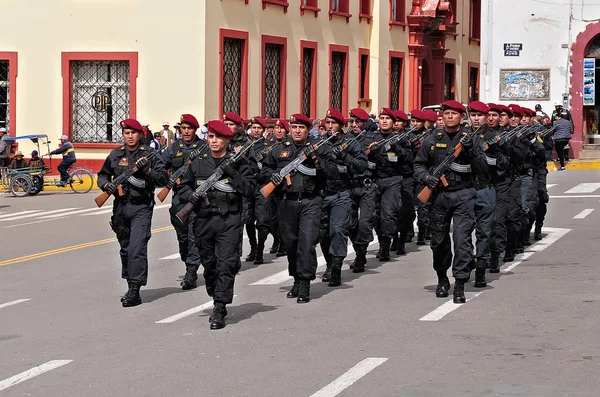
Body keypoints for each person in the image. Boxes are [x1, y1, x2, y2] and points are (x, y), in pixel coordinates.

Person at [178, 120, 257, 330]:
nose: (214, 141)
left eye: (218, 137)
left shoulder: (238, 163)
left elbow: (250, 190)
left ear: (227, 139)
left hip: (229, 218)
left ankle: (220, 307)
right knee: (210, 264)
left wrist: (233, 173)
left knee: (226, 263)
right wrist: (191, 195)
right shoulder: (198, 162)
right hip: (203, 219)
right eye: (211, 137)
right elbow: (183, 187)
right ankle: (215, 289)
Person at [413, 100, 488, 304]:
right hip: (438, 196)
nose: (450, 117)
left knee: (462, 240)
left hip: (464, 194)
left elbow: (482, 168)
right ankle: (442, 278)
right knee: (438, 241)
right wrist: (426, 178)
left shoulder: (471, 139)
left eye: (454, 113)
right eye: (446, 113)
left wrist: (471, 151)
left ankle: (460, 283)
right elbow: (418, 165)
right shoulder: (432, 139)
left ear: (461, 117)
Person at [261, 113, 339, 303]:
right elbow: (263, 169)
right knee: (291, 243)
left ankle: (304, 283)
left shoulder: (319, 148)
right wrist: (272, 176)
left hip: (310, 201)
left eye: (301, 127)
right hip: (286, 202)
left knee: (306, 242)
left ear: (307, 130)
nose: (297, 131)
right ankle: (296, 277)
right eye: (294, 127)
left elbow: (334, 172)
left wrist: (317, 160)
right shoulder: (279, 149)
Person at [97, 119, 169, 307]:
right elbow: (103, 174)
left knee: (137, 248)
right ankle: (130, 283)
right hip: (121, 206)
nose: (130, 136)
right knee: (125, 249)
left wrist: (147, 170)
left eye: (133, 133)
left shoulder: (150, 155)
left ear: (140, 135)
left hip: (141, 206)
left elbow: (163, 178)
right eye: (126, 133)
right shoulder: (116, 154)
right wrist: (106, 185)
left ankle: (135, 289)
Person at [319, 108, 367, 286]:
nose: (330, 126)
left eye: (334, 123)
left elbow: (362, 166)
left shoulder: (351, 143)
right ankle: (329, 264)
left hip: (342, 193)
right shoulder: (319, 143)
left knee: (338, 230)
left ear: (341, 125)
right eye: (328, 122)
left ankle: (337, 268)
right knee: (322, 233)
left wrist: (345, 157)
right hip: (322, 193)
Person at [161, 114, 206, 290]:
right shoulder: (174, 148)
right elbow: (160, 166)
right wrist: (169, 177)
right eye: (183, 128)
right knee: (183, 237)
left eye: (189, 128)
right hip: (179, 197)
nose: (186, 132)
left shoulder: (203, 147)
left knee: (194, 233)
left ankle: (192, 271)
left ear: (195, 130)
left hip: (197, 197)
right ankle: (188, 261)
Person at [369, 108, 409, 261]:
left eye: (388, 118)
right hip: (375, 181)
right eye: (382, 118)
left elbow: (409, 158)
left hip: (393, 180)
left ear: (393, 122)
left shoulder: (400, 138)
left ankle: (385, 246)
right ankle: (382, 240)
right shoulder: (372, 137)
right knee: (375, 216)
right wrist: (372, 152)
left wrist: (396, 148)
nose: (384, 121)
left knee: (388, 215)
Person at [346, 108, 377, 272]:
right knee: (350, 224)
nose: (354, 125)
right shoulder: (345, 139)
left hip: (366, 184)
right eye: (352, 121)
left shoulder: (372, 139)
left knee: (365, 222)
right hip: (349, 185)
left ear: (365, 123)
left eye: (358, 122)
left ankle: (361, 254)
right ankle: (359, 250)